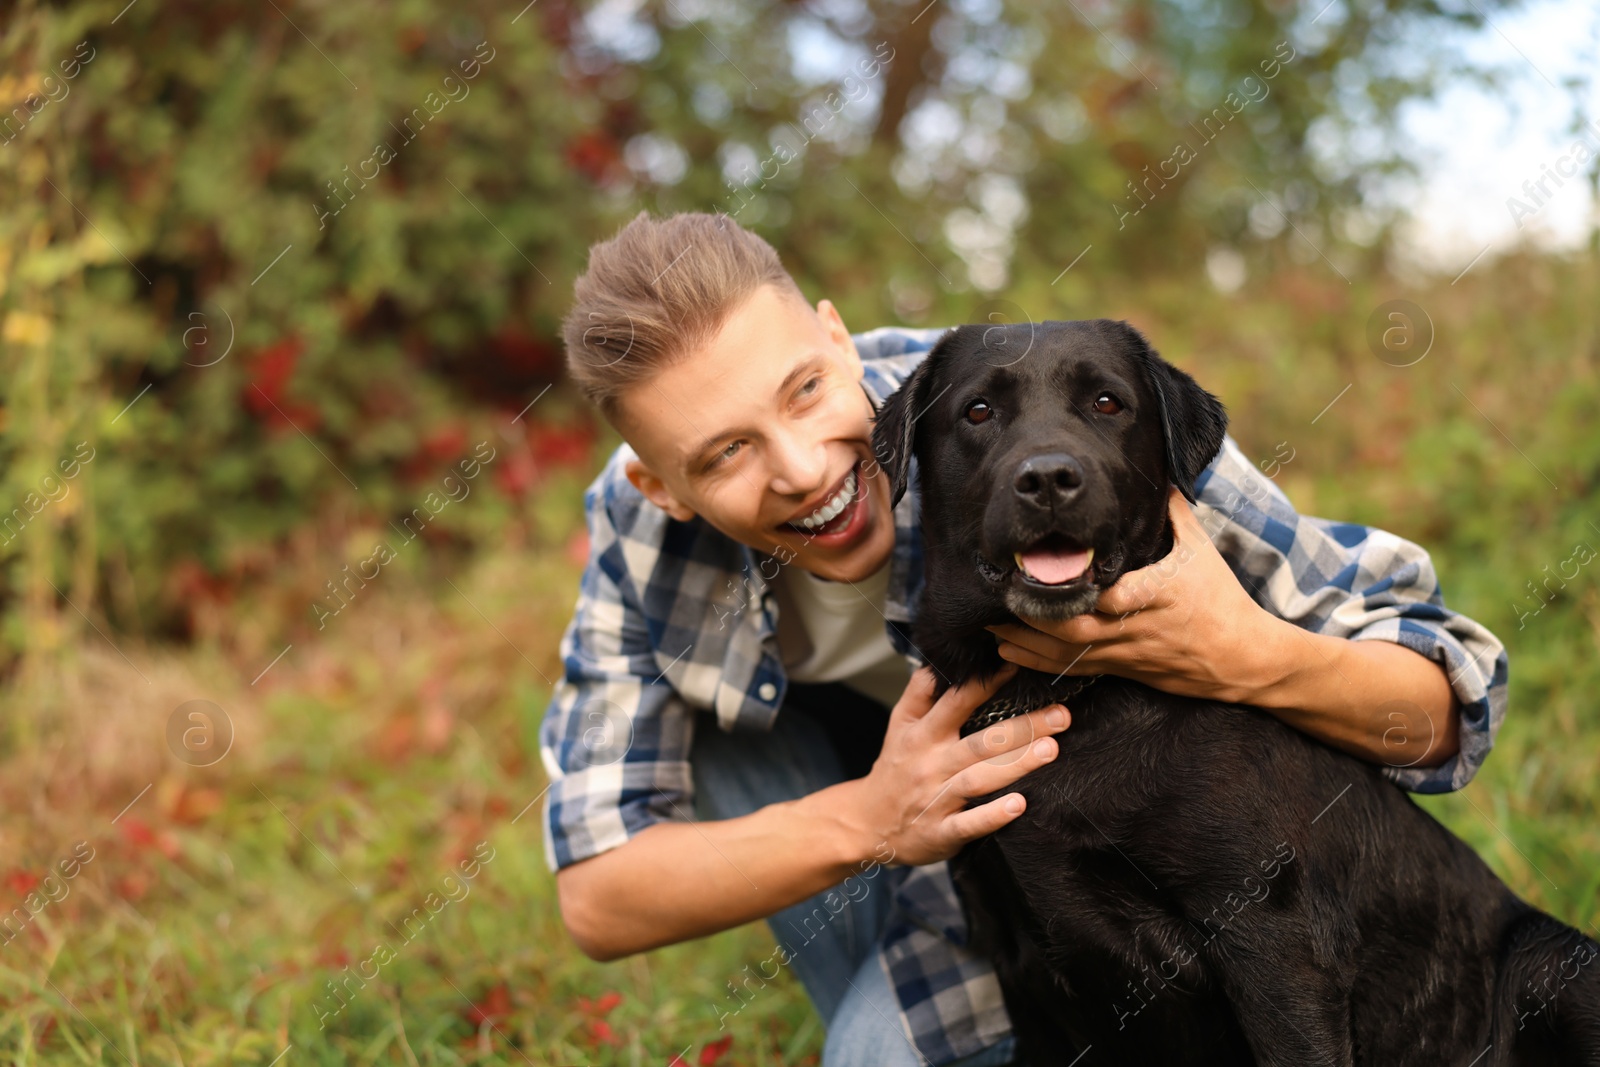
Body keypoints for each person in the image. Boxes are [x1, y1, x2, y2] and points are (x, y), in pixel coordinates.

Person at [538, 210, 1508, 1067]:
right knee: (714, 724)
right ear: (657, 483)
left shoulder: (1044, 400)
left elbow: (1444, 692)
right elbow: (598, 895)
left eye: (801, 391)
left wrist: (1246, 651)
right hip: (928, 846)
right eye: (725, 451)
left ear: (834, 336)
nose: (800, 469)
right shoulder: (642, 541)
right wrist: (874, 817)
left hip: (1086, 840)